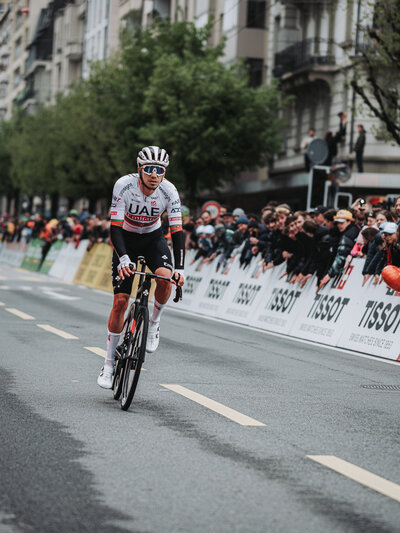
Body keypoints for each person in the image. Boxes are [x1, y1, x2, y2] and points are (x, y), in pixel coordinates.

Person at [97, 146, 185, 389]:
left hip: (153, 238)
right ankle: (108, 363)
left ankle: (154, 322)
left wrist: (182, 268)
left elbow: (177, 230)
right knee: (121, 301)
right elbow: (114, 227)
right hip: (126, 238)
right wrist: (124, 258)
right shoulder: (123, 186)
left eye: (160, 170)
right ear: (140, 171)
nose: (155, 175)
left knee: (165, 278)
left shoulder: (169, 191)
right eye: (150, 170)